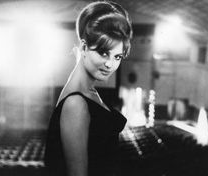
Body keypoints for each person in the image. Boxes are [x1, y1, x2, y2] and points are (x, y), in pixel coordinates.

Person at [44, 1, 132, 176]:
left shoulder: (86, 92)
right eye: (103, 52)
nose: (110, 64)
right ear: (84, 47)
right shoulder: (76, 103)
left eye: (118, 56)